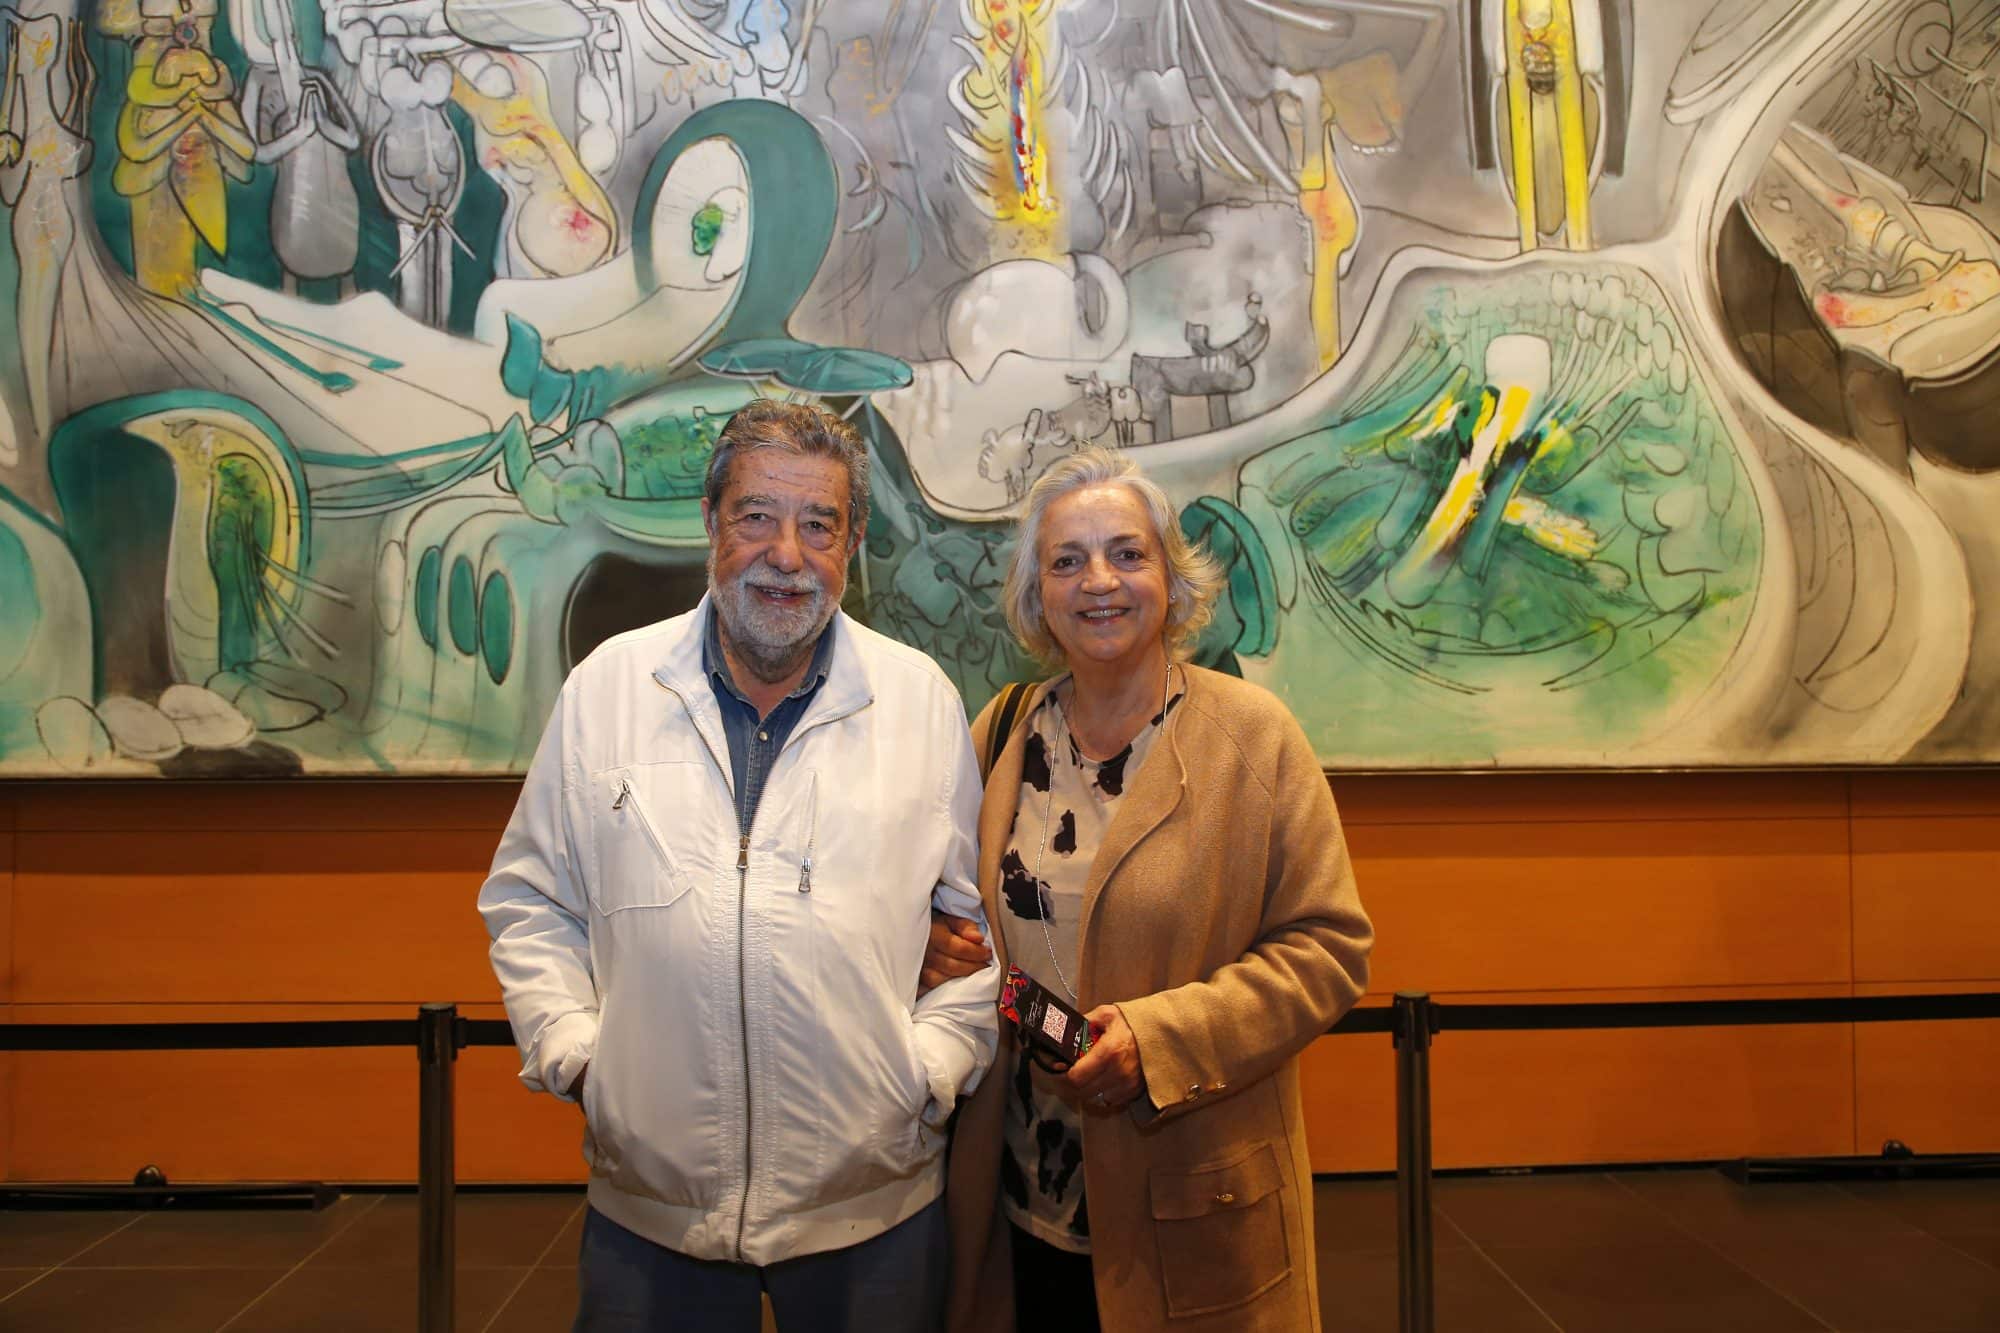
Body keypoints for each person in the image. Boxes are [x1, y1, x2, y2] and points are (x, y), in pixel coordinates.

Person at [478, 399, 999, 1333]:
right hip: (651, 1217)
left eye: (819, 525)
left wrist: (926, 1075)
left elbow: (973, 929)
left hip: (873, 1212)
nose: (786, 555)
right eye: (757, 516)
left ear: (853, 544)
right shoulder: (608, 688)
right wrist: (582, 1062)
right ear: (710, 524)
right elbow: (530, 899)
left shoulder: (919, 701)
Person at [929, 447, 1374, 1333]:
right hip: (1021, 1204)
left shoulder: (1253, 735)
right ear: (1037, 595)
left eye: (1127, 553)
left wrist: (1159, 1041)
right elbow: (949, 905)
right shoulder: (1003, 730)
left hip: (1193, 1207)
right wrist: (938, 948)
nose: (1099, 580)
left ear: (1171, 578)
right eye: (1067, 560)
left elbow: (1329, 948)